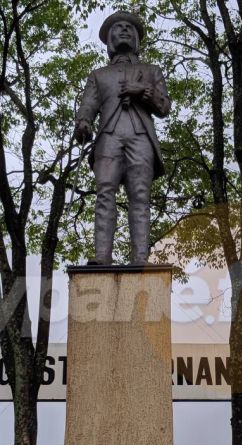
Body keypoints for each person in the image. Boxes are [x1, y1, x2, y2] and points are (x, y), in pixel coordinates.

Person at [74, 11, 171, 265]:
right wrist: (83, 122)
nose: (125, 29)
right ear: (109, 39)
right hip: (108, 138)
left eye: (130, 27)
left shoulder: (151, 71)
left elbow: (164, 107)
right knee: (105, 193)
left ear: (137, 37)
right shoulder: (99, 75)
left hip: (141, 138)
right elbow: (88, 105)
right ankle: (102, 257)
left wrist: (143, 91)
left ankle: (140, 258)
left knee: (140, 196)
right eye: (118, 27)